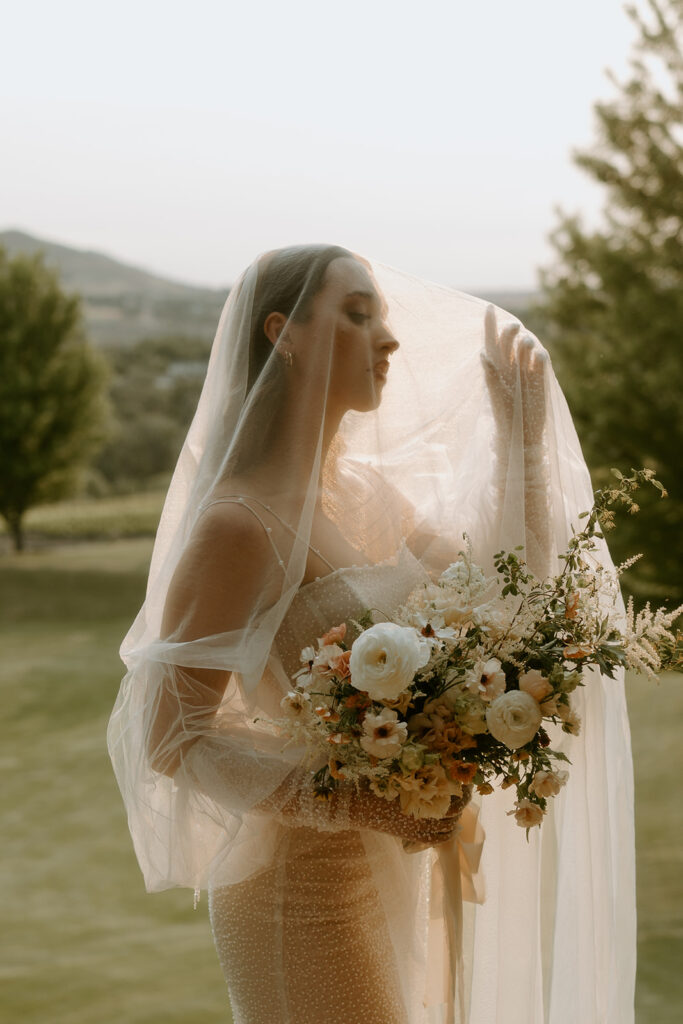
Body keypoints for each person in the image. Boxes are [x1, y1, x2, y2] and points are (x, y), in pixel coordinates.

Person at [108, 245, 636, 1023]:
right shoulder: (237, 523)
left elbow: (499, 595)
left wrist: (519, 439)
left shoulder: (359, 490)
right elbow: (170, 733)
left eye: (383, 318)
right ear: (283, 333)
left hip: (394, 867)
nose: (387, 340)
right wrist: (359, 803)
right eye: (357, 315)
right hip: (300, 893)